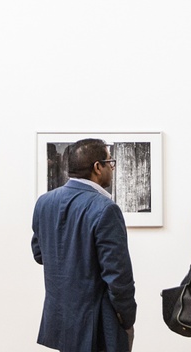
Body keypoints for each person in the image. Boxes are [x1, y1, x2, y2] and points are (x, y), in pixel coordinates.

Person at [32, 138, 136, 352]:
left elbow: (39, 254)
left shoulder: (44, 202)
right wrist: (127, 319)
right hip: (98, 324)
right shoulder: (105, 208)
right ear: (98, 167)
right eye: (110, 162)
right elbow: (118, 276)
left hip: (60, 319)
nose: (112, 168)